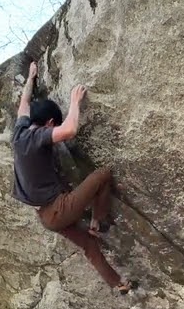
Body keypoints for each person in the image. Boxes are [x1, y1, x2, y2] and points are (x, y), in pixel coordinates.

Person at [12, 61, 135, 295]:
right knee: (103, 175)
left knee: (89, 246)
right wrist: (75, 103)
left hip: (46, 217)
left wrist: (31, 78)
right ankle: (98, 223)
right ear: (49, 124)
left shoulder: (19, 133)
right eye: (53, 128)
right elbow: (69, 130)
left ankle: (118, 284)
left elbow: (24, 103)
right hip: (59, 208)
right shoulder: (37, 137)